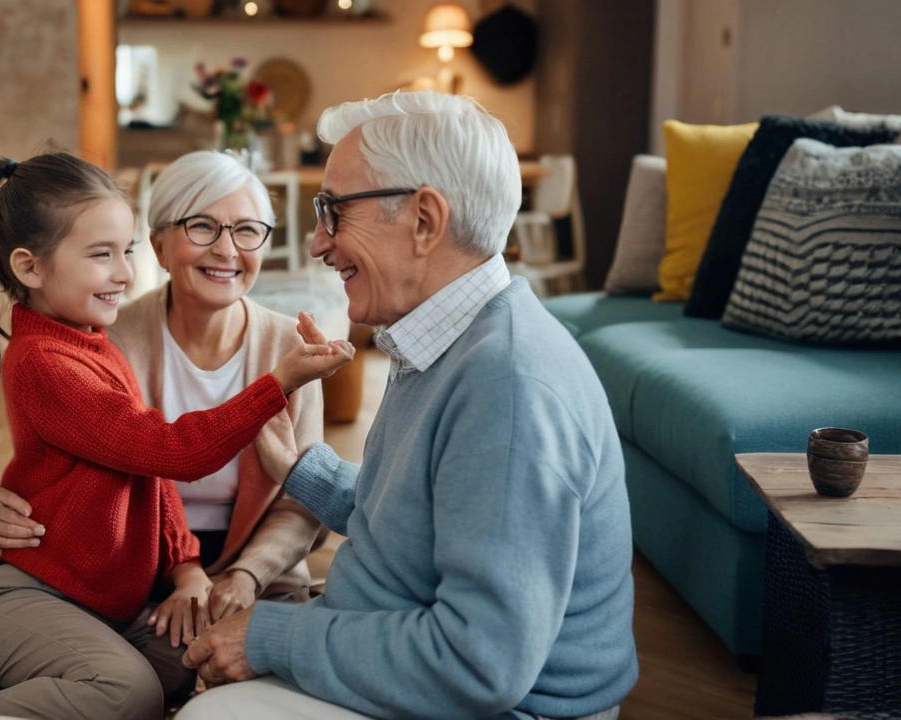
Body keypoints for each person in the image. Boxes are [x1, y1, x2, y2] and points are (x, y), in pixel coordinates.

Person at [177, 90, 639, 720]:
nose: (317, 242)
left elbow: (478, 663)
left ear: (425, 220)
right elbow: (432, 516)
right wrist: (304, 469)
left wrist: (271, 636)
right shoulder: (448, 336)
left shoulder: (506, 388)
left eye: (333, 210)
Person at [0, 150, 331, 697]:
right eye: (203, 226)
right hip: (124, 566)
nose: (227, 248)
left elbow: (308, 500)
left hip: (221, 570)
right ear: (160, 244)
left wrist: (241, 575)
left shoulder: (290, 346)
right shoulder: (103, 329)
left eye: (248, 230)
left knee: (179, 674)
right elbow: (92, 463)